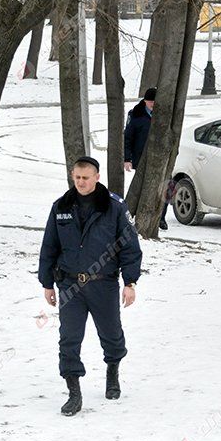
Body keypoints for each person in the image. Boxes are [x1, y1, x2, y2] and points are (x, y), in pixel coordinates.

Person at [39, 156, 143, 416]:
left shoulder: (115, 207)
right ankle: (74, 392)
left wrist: (130, 282)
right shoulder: (61, 207)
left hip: (103, 284)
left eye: (86, 178)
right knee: (69, 339)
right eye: (77, 178)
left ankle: (113, 370)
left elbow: (130, 246)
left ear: (97, 177)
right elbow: (49, 246)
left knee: (111, 334)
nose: (81, 182)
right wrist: (47, 283)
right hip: (70, 285)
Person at [123, 87, 169, 230]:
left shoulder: (163, 113)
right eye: (150, 101)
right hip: (142, 157)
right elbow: (128, 137)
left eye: (154, 101)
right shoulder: (136, 115)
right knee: (144, 187)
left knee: (167, 187)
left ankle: (161, 217)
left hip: (161, 157)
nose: (152, 104)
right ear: (144, 101)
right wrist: (127, 158)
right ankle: (136, 214)